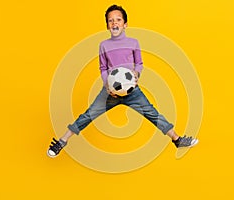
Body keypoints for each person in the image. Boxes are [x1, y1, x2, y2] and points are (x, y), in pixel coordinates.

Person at [47, 4, 198, 158]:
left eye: (118, 20)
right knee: (88, 115)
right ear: (107, 25)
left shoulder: (133, 42)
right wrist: (108, 86)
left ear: (125, 24)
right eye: (110, 20)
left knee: (152, 113)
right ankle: (62, 141)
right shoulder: (103, 45)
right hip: (110, 92)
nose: (114, 23)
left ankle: (177, 139)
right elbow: (103, 67)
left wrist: (136, 75)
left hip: (132, 91)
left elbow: (139, 63)